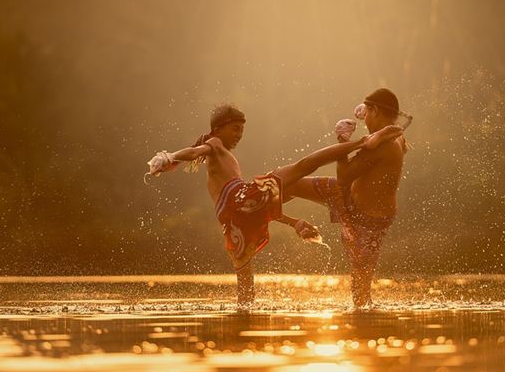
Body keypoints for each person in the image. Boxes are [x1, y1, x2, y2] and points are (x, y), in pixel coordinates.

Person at [146, 104, 403, 309]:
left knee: (245, 289)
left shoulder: (216, 159)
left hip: (232, 219)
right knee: (303, 166)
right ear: (218, 129)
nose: (239, 135)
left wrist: (295, 223)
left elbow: (256, 210)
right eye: (235, 129)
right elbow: (193, 152)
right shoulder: (214, 144)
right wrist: (170, 156)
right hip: (240, 196)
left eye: (241, 131)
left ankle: (242, 325)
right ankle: (362, 141)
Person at [283, 88, 408, 309]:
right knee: (289, 184)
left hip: (367, 222)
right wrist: (367, 115)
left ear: (376, 111)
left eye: (367, 113)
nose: (364, 119)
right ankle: (261, 209)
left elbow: (343, 176)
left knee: (361, 299)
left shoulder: (384, 144)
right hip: (349, 197)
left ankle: (366, 329)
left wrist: (342, 141)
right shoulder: (396, 135)